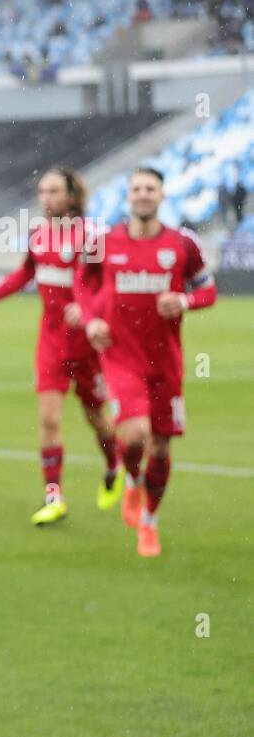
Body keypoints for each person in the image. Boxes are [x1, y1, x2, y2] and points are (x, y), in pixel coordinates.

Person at [0, 166, 121, 525]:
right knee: (49, 418)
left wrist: (87, 310)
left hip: (86, 345)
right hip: (51, 341)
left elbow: (105, 284)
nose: (46, 198)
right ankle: (54, 495)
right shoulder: (38, 234)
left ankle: (114, 463)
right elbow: (24, 274)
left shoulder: (92, 236)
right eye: (42, 191)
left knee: (97, 417)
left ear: (71, 195)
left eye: (53, 191)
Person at [82, 167, 216, 557]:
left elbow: (208, 289)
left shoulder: (182, 244)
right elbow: (84, 281)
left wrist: (185, 301)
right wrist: (91, 319)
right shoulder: (105, 242)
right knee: (136, 434)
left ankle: (150, 522)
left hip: (165, 361)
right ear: (128, 196)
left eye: (150, 188)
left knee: (161, 447)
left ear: (162, 195)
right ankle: (132, 480)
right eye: (137, 188)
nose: (143, 194)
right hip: (120, 354)